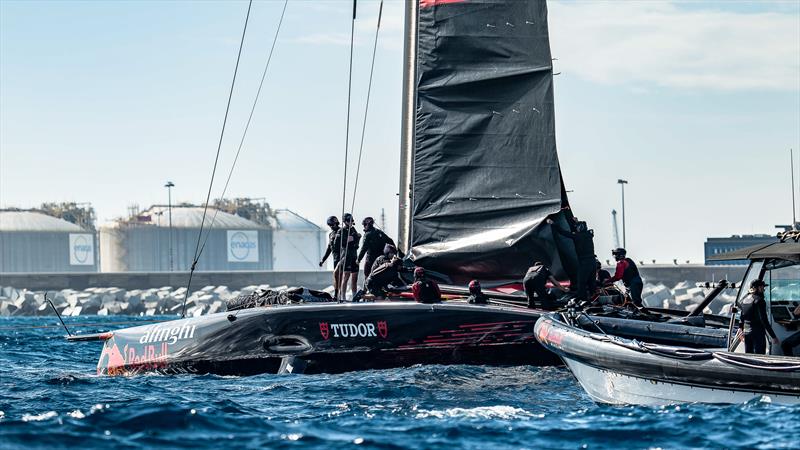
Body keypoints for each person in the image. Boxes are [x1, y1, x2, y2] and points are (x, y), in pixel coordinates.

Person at [547, 217, 596, 300]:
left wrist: (553, 224)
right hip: (592, 262)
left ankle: (582, 300)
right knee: (592, 283)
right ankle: (594, 299)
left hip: (584, 262)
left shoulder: (577, 236)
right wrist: (577, 222)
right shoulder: (589, 234)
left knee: (581, 283)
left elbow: (563, 232)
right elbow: (583, 228)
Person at [738, 279, 780, 354]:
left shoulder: (744, 300)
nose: (763, 290)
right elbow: (764, 320)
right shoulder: (759, 300)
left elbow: (742, 317)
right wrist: (773, 336)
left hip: (747, 333)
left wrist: (740, 329)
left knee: (748, 355)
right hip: (757, 333)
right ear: (755, 288)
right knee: (760, 356)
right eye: (762, 287)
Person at [335, 213, 361, 301]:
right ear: (344, 221)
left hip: (354, 256)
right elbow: (338, 244)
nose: (350, 222)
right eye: (348, 221)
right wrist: (348, 240)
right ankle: (343, 297)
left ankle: (354, 297)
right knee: (346, 276)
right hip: (346, 256)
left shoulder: (353, 230)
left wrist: (355, 239)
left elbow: (356, 243)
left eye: (351, 221)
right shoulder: (341, 231)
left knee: (355, 277)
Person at [319, 216, 342, 300]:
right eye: (330, 225)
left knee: (339, 275)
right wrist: (323, 260)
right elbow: (329, 248)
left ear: (336, 223)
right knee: (336, 277)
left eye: (333, 224)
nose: (332, 226)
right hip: (335, 258)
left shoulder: (343, 231)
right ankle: (336, 295)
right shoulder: (331, 234)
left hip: (343, 257)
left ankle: (340, 295)